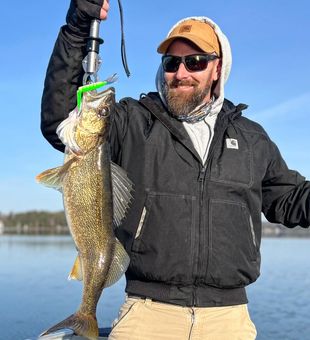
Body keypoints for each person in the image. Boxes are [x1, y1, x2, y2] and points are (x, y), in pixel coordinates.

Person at [40, 1, 310, 339]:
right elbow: (60, 120)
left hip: (229, 319)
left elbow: (291, 200)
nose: (181, 73)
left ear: (217, 68)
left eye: (195, 62)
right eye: (172, 63)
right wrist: (78, 26)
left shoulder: (252, 138)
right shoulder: (132, 122)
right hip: (147, 313)